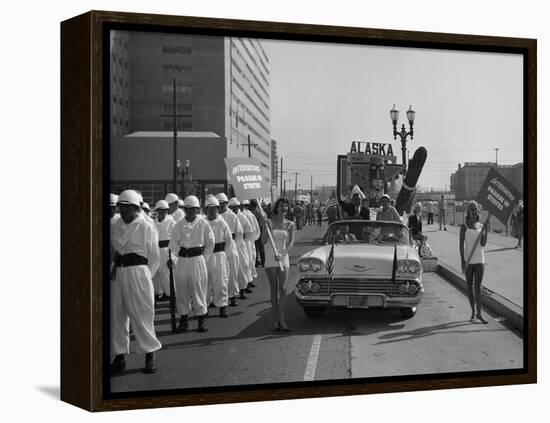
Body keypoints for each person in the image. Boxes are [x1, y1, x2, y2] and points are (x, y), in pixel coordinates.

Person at [110, 190, 161, 374]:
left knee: (142, 313)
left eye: (127, 208)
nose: (123, 211)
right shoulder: (114, 224)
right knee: (116, 315)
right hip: (118, 272)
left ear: (136, 208)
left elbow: (154, 257)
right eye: (121, 207)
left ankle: (149, 353)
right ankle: (119, 355)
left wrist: (145, 275)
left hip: (138, 272)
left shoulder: (146, 226)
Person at [168, 195, 215, 333]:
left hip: (197, 259)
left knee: (198, 289)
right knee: (182, 290)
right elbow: (173, 246)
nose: (190, 212)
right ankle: (184, 320)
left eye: (193, 209)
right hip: (182, 260)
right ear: (184, 209)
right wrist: (172, 260)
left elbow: (210, 243)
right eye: (187, 209)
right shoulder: (178, 225)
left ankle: (201, 319)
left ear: (197, 210)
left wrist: (203, 258)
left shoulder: (203, 224)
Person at [261, 197, 295, 332]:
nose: (284, 208)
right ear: (276, 207)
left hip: (283, 257)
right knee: (274, 289)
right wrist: (264, 228)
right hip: (270, 257)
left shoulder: (290, 224)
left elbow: (291, 243)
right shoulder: (268, 222)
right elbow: (263, 241)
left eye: (286, 206)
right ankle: (275, 320)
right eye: (281, 206)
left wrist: (283, 253)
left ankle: (282, 319)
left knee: (283, 289)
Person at [459, 200, 489, 324]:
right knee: (469, 286)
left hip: (480, 259)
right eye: (471, 208)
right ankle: (472, 312)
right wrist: (462, 260)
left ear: (478, 210)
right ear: (468, 211)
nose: (473, 210)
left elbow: (483, 244)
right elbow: (461, 246)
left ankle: (479, 314)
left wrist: (485, 231)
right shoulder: (464, 226)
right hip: (468, 260)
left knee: (478, 287)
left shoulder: (481, 226)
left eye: (475, 208)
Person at [204, 196, 233, 318]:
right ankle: (204, 307)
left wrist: (223, 255)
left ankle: (222, 306)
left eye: (214, 209)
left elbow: (229, 242)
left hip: (219, 255)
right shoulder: (202, 223)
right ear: (206, 210)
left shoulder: (222, 223)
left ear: (217, 209)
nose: (212, 211)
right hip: (205, 256)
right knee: (205, 283)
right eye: (209, 209)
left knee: (221, 282)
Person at [216, 193, 243, 307]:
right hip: (218, 248)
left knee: (232, 273)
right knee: (218, 275)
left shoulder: (232, 216)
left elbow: (239, 233)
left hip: (231, 246)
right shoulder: (214, 216)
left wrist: (233, 246)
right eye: (220, 204)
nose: (222, 206)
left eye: (223, 203)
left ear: (227, 204)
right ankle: (218, 298)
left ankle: (232, 296)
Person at [152, 200, 177, 302]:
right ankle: (157, 294)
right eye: (160, 210)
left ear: (167, 211)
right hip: (155, 251)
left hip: (167, 251)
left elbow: (176, 240)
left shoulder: (172, 223)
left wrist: (173, 257)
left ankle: (173, 295)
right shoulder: (153, 223)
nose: (162, 213)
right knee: (155, 274)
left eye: (164, 210)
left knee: (167, 275)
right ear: (157, 211)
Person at [228, 197, 252, 299]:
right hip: (230, 246)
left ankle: (242, 290)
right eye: (232, 207)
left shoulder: (243, 217)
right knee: (231, 270)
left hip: (241, 245)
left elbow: (248, 231)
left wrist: (243, 241)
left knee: (242, 267)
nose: (234, 209)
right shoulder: (227, 217)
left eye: (236, 207)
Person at [241, 199, 261, 290]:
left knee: (250, 262)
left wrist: (253, 239)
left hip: (248, 242)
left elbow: (255, 229)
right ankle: (245, 283)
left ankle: (249, 281)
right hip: (241, 242)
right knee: (243, 264)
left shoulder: (249, 215)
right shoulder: (235, 215)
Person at [250, 199, 266, 267]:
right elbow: (262, 222)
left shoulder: (250, 212)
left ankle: (256, 262)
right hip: (260, 229)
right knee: (261, 247)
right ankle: (263, 262)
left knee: (255, 247)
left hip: (253, 230)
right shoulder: (260, 212)